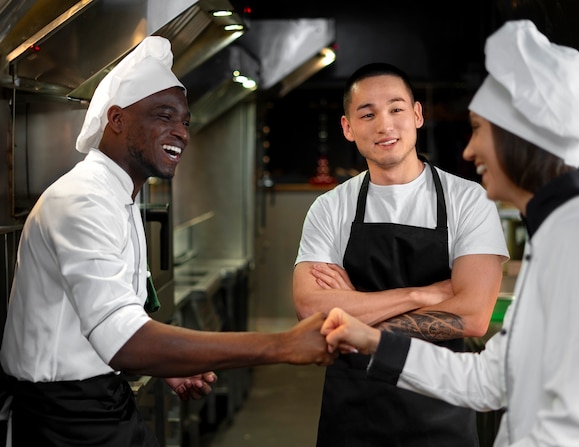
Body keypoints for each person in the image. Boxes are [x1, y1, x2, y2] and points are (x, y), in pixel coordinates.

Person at [0, 36, 335, 446]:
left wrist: (167, 362)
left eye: (185, 121)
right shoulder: (82, 201)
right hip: (64, 419)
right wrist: (281, 345)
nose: (181, 132)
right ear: (117, 120)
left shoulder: (118, 195)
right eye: (164, 116)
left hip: (101, 397)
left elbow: (108, 323)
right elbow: (122, 339)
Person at [321, 19, 579, 446]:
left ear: (518, 137)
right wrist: (372, 339)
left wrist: (365, 312)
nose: (468, 150)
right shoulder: (558, 233)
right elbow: (491, 379)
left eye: (479, 129)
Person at [293, 60, 509, 445]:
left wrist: (354, 312)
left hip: (441, 408)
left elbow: (474, 317)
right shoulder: (330, 208)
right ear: (347, 127)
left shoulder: (468, 201)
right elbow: (311, 309)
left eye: (396, 108)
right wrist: (424, 294)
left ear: (417, 114)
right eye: (367, 113)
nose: (384, 125)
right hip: (353, 414)